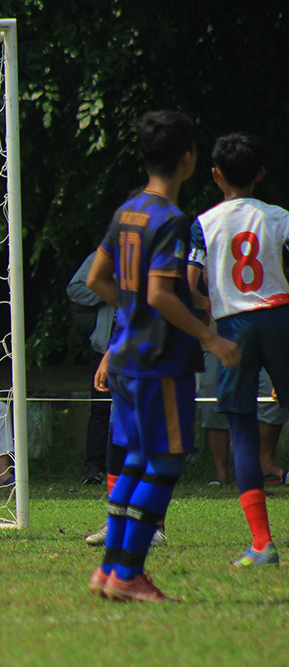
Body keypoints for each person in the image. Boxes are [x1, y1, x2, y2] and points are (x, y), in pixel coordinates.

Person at [85, 110, 239, 602]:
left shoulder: (127, 211)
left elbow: (96, 280)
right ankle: (127, 573)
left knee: (133, 462)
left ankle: (110, 570)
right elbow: (160, 295)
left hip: (127, 354)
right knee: (167, 461)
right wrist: (210, 338)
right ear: (188, 159)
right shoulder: (172, 222)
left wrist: (130, 309)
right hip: (160, 360)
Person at [186, 131, 289, 566]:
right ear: (261, 173)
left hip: (233, 326)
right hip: (280, 315)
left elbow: (190, 285)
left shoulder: (204, 223)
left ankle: (262, 544)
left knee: (242, 426)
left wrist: (211, 310)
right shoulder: (280, 216)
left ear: (215, 175)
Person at [197, 354, 286, 486]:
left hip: (261, 340)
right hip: (215, 345)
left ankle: (263, 465)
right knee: (213, 405)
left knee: (275, 399)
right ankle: (221, 476)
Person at [68, 251, 116, 485]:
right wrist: (108, 291)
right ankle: (94, 467)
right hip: (103, 346)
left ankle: (136, 468)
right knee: (100, 408)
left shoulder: (151, 252)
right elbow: (75, 289)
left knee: (136, 409)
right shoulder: (104, 254)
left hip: (141, 349)